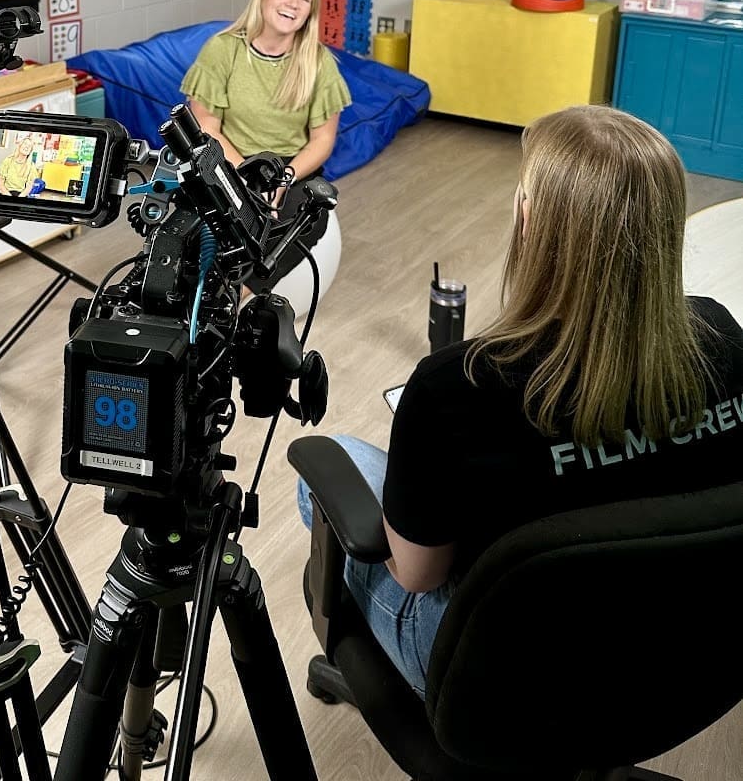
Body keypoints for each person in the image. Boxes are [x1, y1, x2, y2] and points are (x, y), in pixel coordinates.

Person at [298, 105, 743, 699]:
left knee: (329, 469)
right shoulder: (723, 335)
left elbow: (417, 575)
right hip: (676, 653)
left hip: (498, 680)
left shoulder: (453, 388)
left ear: (532, 217)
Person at [181, 0, 350, 291]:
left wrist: (283, 180)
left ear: (310, 13)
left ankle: (236, 296)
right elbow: (206, 124)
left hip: (289, 169)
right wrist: (245, 178)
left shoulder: (318, 63)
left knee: (306, 217)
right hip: (229, 161)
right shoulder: (223, 48)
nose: (292, 3)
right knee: (201, 216)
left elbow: (322, 140)